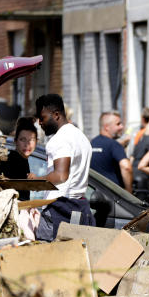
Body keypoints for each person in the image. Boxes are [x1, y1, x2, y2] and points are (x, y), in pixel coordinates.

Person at [34, 94, 96, 240]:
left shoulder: (59, 140)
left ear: (56, 115)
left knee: (45, 258)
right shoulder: (81, 137)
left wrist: (37, 180)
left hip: (58, 209)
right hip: (77, 207)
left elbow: (61, 176)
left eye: (42, 118)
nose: (39, 123)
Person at [0, 117, 39, 200]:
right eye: (22, 140)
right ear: (15, 141)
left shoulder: (22, 159)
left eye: (31, 140)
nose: (27, 144)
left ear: (36, 142)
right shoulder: (12, 161)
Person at [90, 111, 133, 192]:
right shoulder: (114, 145)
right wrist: (129, 192)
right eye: (118, 124)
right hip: (113, 196)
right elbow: (126, 167)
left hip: (93, 194)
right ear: (107, 127)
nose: (122, 127)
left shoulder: (92, 143)